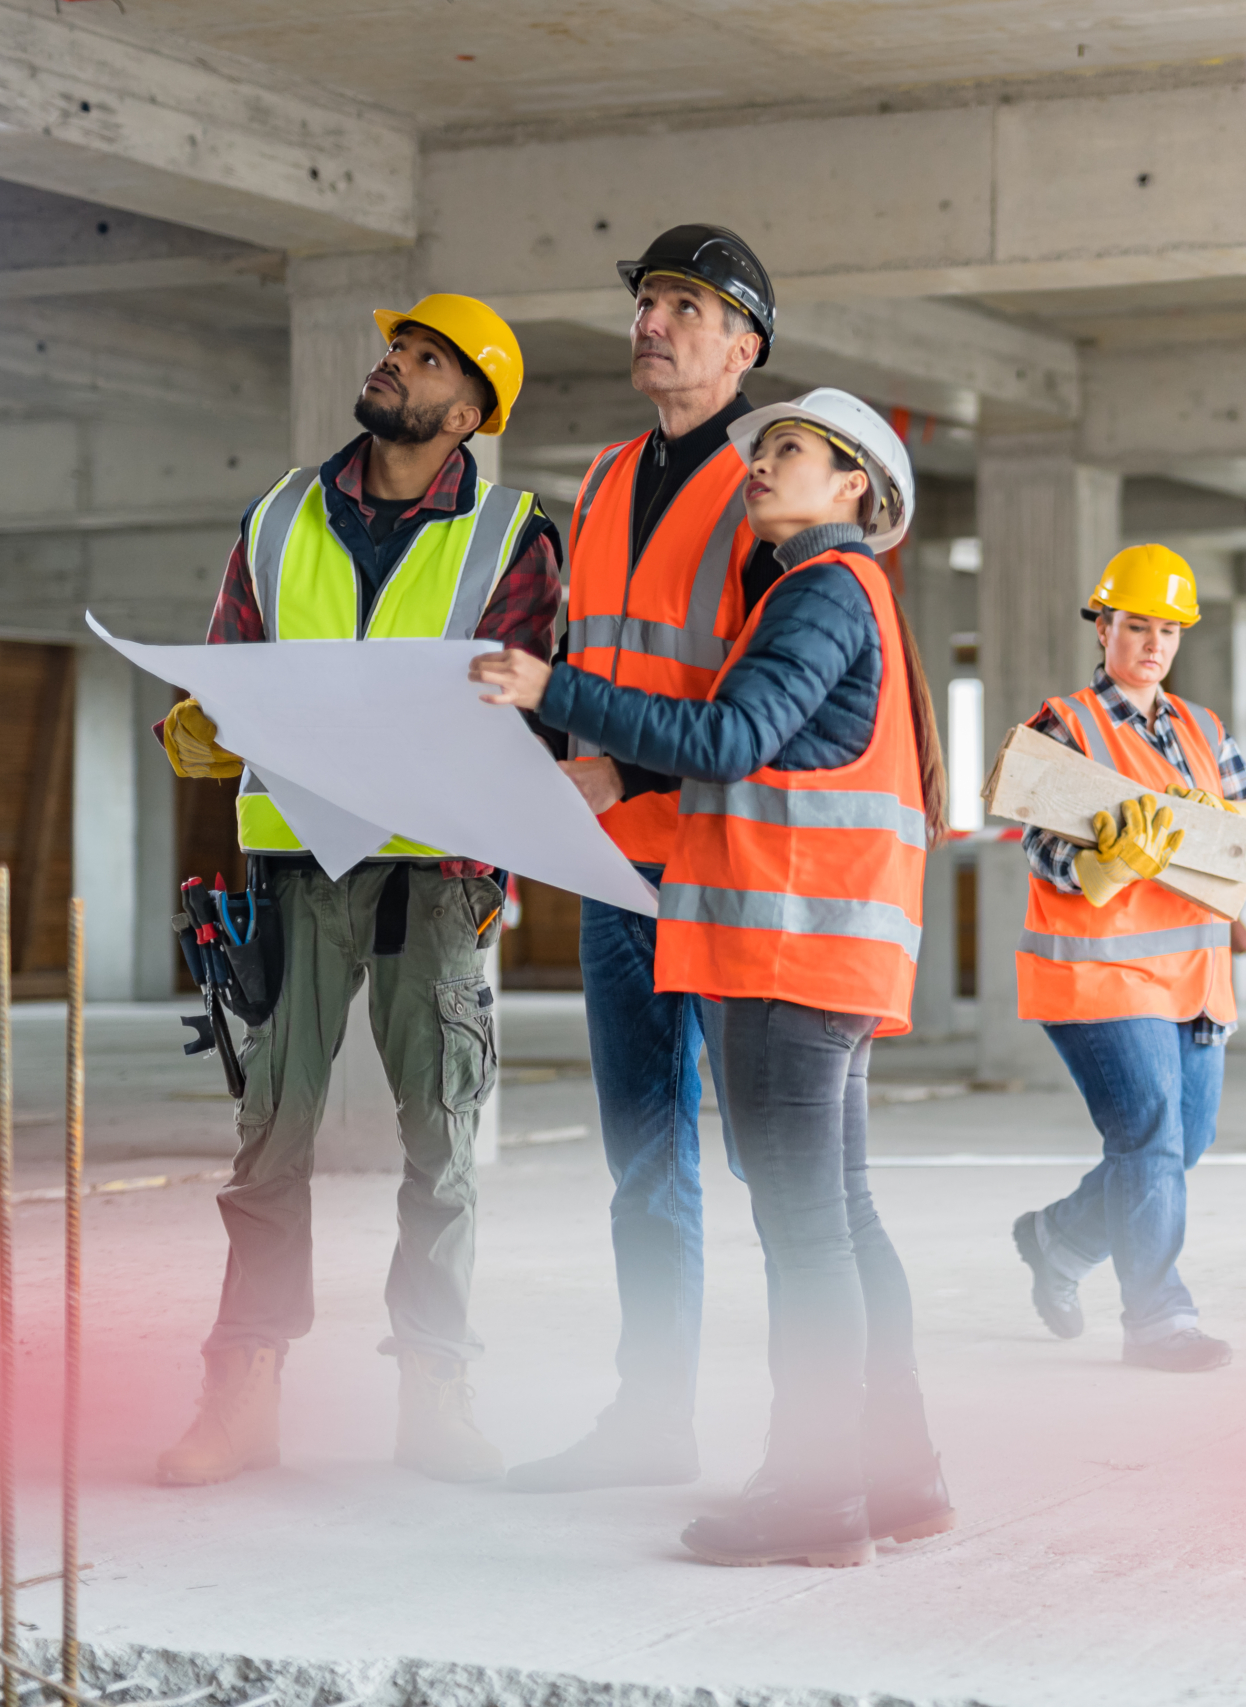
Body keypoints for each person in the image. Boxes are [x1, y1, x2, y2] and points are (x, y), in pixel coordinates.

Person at [471, 387, 950, 1569]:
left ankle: (816, 1494)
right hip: (821, 956)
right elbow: (754, 761)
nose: (758, 463)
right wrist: (621, 785)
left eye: (787, 449)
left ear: (854, 489)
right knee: (838, 1223)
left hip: (786, 957)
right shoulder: (835, 597)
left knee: (807, 1239)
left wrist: (555, 692)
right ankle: (899, 1477)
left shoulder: (823, 591)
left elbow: (731, 739)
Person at [152, 294, 562, 1486]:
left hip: (434, 875)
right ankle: (244, 1396)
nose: (394, 363)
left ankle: (436, 1391)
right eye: (396, 347)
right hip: (288, 863)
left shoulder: (511, 535)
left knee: (440, 1143)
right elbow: (230, 662)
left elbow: (524, 700)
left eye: (425, 357)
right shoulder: (281, 514)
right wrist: (203, 723)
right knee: (268, 1142)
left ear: (471, 408)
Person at [508, 225, 779, 1495]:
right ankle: (653, 1418)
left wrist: (629, 767)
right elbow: (589, 662)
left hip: (724, 870)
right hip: (616, 874)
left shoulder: (773, 485)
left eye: (684, 304)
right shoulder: (605, 477)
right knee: (643, 1164)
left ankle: (813, 1437)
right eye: (648, 301)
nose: (652, 320)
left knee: (778, 1173)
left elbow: (767, 705)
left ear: (744, 346)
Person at [1007, 545, 1246, 1374]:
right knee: (1153, 1137)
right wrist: (1101, 864)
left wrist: (1227, 818)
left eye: (1167, 629)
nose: (1153, 643)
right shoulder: (1068, 724)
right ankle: (1159, 1319)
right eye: (1136, 626)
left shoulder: (1204, 730)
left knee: (1177, 1146)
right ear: (1103, 626)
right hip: (1100, 972)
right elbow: (1039, 841)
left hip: (1193, 977)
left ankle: (1056, 1238)